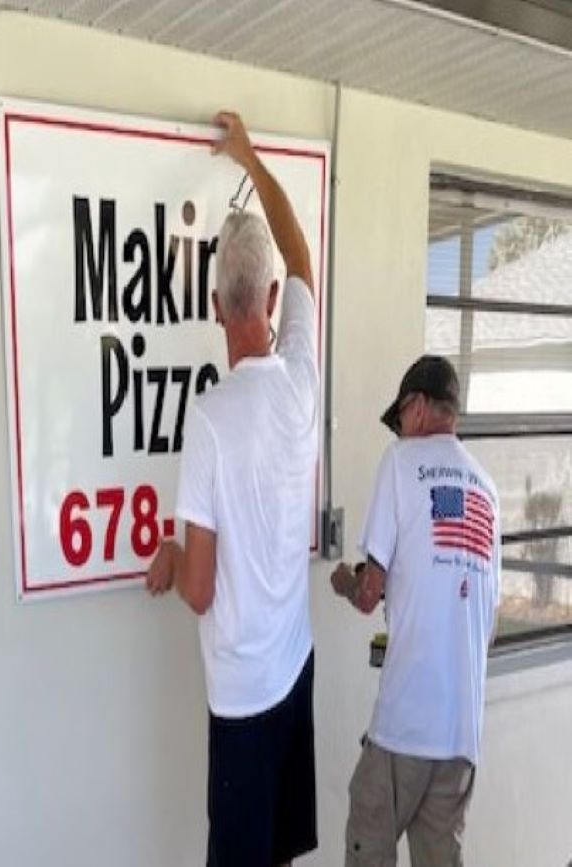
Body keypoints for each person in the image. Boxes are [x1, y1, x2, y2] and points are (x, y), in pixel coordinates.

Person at [147, 110, 319, 867]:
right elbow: (301, 251)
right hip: (295, 670)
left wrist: (167, 552)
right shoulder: (304, 380)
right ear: (274, 302)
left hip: (244, 699)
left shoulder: (211, 421)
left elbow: (200, 588)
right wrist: (251, 157)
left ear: (216, 307)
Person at [331, 355, 501, 867]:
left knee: (369, 837)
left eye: (401, 416)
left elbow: (369, 594)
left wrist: (344, 581)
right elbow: (484, 625)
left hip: (407, 724)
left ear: (421, 407)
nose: (400, 429)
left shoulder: (401, 462)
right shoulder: (488, 493)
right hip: (462, 736)